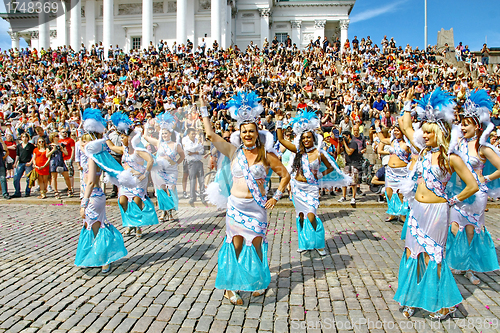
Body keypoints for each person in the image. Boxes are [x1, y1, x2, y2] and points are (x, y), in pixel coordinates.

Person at [395, 87, 478, 319]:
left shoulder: (450, 158)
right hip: (417, 211)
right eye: (424, 132)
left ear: (439, 133)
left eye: (429, 132)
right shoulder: (422, 152)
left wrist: (453, 200)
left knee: (434, 256)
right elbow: (406, 126)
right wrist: (407, 103)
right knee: (413, 253)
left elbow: (472, 185)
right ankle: (413, 297)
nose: (424, 135)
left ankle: (442, 302)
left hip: (437, 211)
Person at [201, 92, 290, 305]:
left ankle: (257, 282)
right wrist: (204, 110)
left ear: (257, 133)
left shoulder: (267, 156)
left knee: (257, 246)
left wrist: (276, 197)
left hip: (257, 208)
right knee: (236, 245)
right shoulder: (233, 152)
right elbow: (211, 135)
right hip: (236, 207)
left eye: (251, 131)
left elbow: (285, 175)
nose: (247, 135)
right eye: (244, 132)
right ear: (239, 134)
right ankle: (230, 288)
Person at [277, 111, 350, 255]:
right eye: (303, 138)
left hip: (311, 189)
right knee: (302, 217)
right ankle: (304, 243)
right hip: (298, 188)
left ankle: (319, 244)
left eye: (308, 137)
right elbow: (280, 139)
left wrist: (319, 175)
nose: (306, 140)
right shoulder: (298, 151)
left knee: (312, 216)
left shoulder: (319, 153)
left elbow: (330, 167)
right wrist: (279, 122)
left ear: (313, 138)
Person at [446, 90, 500, 284]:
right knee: (454, 227)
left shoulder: (482, 147)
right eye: (461, 123)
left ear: (477, 127)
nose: (462, 127)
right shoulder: (457, 143)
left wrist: (485, 177)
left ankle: (470, 268)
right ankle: (460, 261)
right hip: (458, 191)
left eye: (466, 124)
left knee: (470, 230)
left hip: (476, 194)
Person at [75, 108, 128, 273]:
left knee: (97, 228)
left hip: (93, 197)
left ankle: (105, 259)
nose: (81, 143)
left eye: (84, 140)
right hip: (92, 196)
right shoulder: (93, 154)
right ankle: (96, 257)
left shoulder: (93, 157)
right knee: (91, 227)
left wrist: (83, 202)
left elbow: (91, 181)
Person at [107, 112, 159, 238]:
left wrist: (144, 174)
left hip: (138, 180)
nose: (121, 139)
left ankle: (138, 226)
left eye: (123, 137)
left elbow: (151, 160)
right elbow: (113, 147)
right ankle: (130, 223)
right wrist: (104, 135)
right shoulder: (123, 149)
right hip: (127, 180)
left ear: (130, 138)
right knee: (122, 200)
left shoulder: (138, 150)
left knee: (136, 202)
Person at [144, 112, 185, 222]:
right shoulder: (159, 143)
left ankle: (170, 211)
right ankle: (163, 211)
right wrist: (146, 126)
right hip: (160, 170)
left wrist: (175, 162)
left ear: (170, 134)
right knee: (161, 190)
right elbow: (146, 137)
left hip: (171, 170)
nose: (164, 136)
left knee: (170, 189)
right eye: (162, 134)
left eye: (166, 133)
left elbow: (182, 155)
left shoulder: (176, 145)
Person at [374, 122, 410, 222]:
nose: (396, 132)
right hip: (390, 171)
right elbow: (382, 139)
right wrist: (377, 127)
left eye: (398, 130)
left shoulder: (407, 144)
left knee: (401, 194)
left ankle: (403, 215)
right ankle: (393, 213)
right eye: (395, 130)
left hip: (402, 172)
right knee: (389, 192)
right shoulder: (393, 141)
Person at [182, 127, 206, 206]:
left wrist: (195, 152)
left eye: (194, 133)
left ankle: (202, 195)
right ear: (188, 134)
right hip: (191, 162)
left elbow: (202, 150)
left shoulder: (197, 140)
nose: (194, 135)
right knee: (192, 180)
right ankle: (193, 196)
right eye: (192, 134)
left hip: (198, 161)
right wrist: (196, 148)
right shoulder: (186, 141)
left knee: (201, 180)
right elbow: (189, 150)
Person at [338, 131, 363, 204]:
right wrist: (339, 143)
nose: (343, 138)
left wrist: (345, 143)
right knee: (344, 181)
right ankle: (343, 196)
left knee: (353, 182)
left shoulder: (353, 143)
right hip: (347, 164)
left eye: (344, 136)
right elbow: (338, 152)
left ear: (348, 136)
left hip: (354, 164)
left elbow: (349, 152)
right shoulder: (345, 144)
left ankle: (353, 197)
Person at [46, 132, 74, 199]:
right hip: (53, 162)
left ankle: (69, 189)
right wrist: (53, 150)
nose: (58, 137)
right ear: (53, 137)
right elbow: (47, 155)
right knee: (54, 177)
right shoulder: (49, 146)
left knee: (66, 176)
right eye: (56, 136)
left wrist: (62, 149)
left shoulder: (61, 145)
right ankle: (56, 191)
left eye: (58, 136)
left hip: (61, 161)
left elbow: (66, 153)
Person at [12, 132, 35, 198]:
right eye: (23, 137)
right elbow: (17, 155)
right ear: (21, 138)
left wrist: (31, 162)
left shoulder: (31, 146)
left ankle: (27, 192)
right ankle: (17, 192)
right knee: (16, 177)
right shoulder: (19, 146)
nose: (25, 138)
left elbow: (33, 155)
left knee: (28, 179)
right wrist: (15, 163)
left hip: (28, 163)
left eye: (26, 137)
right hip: (21, 163)